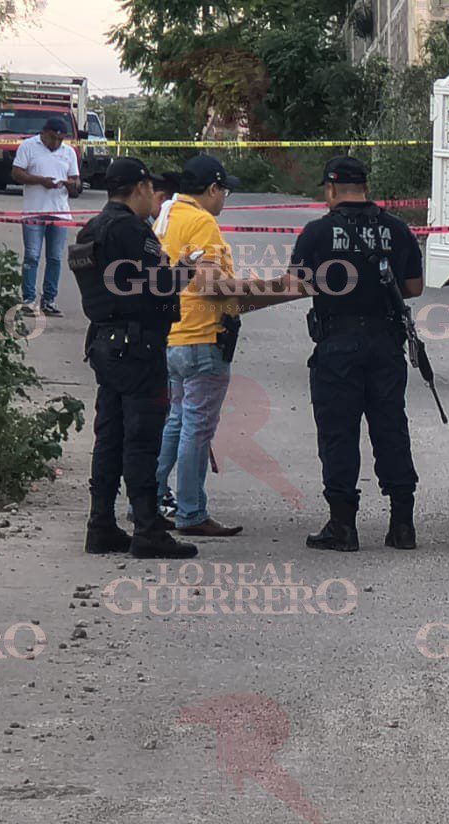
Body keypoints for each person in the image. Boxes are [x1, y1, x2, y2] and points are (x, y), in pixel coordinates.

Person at [268, 155, 425, 551]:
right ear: (366, 187)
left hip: (337, 344)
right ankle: (402, 526)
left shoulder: (318, 233)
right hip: (385, 342)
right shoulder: (397, 228)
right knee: (391, 427)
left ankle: (343, 526)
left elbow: (295, 285)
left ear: (331, 189)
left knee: (338, 432)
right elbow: (414, 287)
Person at [67, 157, 198, 559]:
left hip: (105, 345)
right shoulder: (132, 230)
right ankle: (148, 529)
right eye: (150, 189)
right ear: (140, 188)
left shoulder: (92, 228)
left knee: (109, 437)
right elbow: (159, 283)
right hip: (138, 348)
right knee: (142, 438)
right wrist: (185, 270)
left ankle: (101, 525)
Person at [155, 154, 269, 538]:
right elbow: (208, 283)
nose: (225, 199)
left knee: (176, 422)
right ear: (212, 189)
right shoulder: (202, 221)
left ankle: (150, 498)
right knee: (197, 429)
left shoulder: (168, 215)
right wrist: (256, 290)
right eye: (224, 192)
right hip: (203, 337)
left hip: (173, 334)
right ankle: (191, 511)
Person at [10, 116, 81, 315]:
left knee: (55, 258)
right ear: (44, 133)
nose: (56, 143)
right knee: (32, 256)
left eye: (60, 139)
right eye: (52, 138)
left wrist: (71, 184)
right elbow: (16, 173)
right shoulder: (28, 146)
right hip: (34, 211)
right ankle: (28, 299)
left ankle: (49, 300)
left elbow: (76, 182)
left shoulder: (69, 152)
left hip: (60, 212)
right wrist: (41, 181)